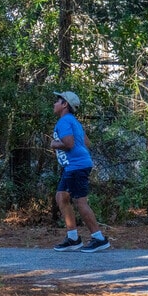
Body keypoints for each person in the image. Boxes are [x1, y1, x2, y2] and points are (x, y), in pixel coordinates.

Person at [50, 90, 110, 252]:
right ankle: (73, 238)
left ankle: (99, 238)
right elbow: (87, 143)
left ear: (65, 105)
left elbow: (68, 144)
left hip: (76, 166)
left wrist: (55, 144)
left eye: (58, 100)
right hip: (74, 165)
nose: (54, 103)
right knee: (61, 197)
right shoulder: (73, 121)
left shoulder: (64, 122)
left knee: (79, 201)